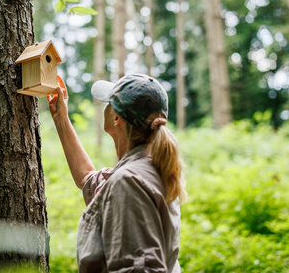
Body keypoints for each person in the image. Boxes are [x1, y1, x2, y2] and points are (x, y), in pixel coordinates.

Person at [47, 73, 186, 272]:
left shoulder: (129, 182)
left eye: (108, 102)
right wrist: (61, 118)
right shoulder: (149, 168)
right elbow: (89, 179)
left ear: (117, 118)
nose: (104, 107)